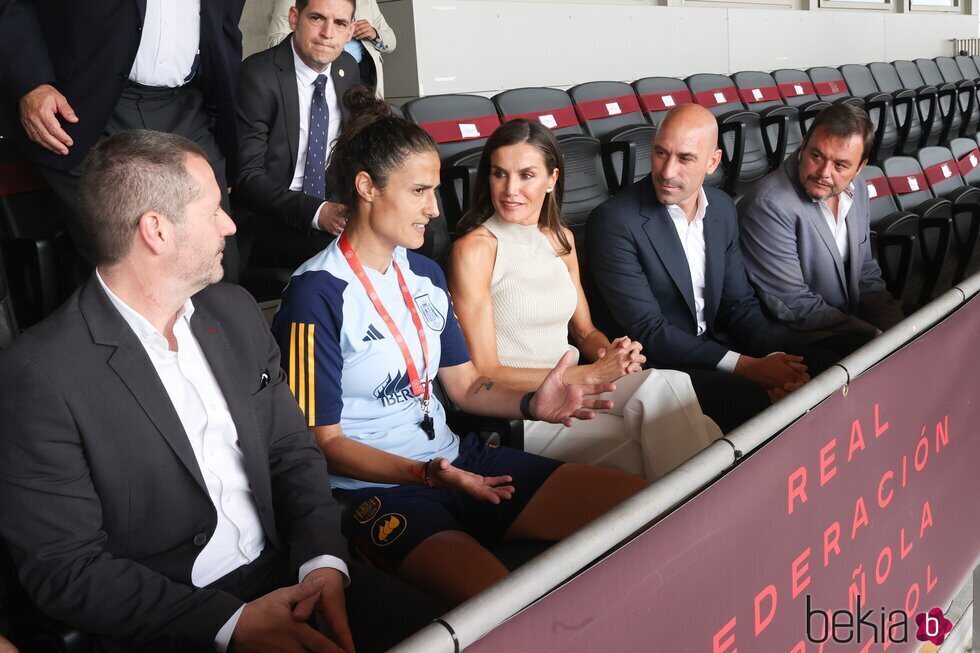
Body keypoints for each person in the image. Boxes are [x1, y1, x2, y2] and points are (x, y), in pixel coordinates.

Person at [272, 88, 645, 608]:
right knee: (505, 607)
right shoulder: (315, 293)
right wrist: (424, 474)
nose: (434, 207)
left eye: (436, 190)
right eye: (421, 191)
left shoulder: (423, 272)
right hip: (377, 490)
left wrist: (530, 403)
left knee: (642, 511)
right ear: (367, 188)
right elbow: (323, 445)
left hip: (456, 460)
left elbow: (467, 386)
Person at [0, 130, 355, 653]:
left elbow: (290, 450)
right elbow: (67, 569)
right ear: (157, 231)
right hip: (178, 619)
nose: (230, 226)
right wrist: (231, 625)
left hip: (292, 574)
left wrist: (323, 562)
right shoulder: (39, 375)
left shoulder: (234, 311)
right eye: (214, 210)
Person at [448, 119, 720, 480]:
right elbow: (486, 371)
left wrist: (612, 354)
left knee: (672, 388)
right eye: (500, 174)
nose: (510, 189)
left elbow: (585, 331)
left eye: (526, 175)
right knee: (684, 437)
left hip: (579, 384)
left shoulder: (560, 239)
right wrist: (589, 373)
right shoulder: (474, 249)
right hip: (526, 408)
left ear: (552, 179)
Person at [587, 104, 822, 433]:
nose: (667, 171)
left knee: (818, 366)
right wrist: (747, 367)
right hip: (660, 367)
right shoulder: (614, 221)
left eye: (685, 159)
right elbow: (649, 331)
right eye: (660, 153)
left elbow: (739, 303)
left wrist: (776, 359)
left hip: (714, 347)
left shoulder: (723, 209)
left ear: (712, 162)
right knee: (749, 398)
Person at [0, 0, 244, 277]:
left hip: (188, 105)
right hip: (87, 109)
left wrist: (218, 118)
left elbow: (222, 24)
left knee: (215, 259)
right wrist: (31, 83)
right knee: (131, 266)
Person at [737, 104, 905, 357]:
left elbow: (866, 272)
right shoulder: (769, 205)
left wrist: (899, 329)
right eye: (817, 156)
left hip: (846, 322)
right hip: (796, 338)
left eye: (840, 165)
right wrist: (874, 334)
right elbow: (793, 305)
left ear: (859, 168)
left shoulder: (856, 188)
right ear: (803, 145)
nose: (824, 173)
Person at [236, 0, 361, 273]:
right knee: (345, 255)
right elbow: (247, 178)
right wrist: (318, 212)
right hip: (270, 218)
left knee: (414, 241)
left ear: (350, 31)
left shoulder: (348, 68)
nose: (328, 33)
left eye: (339, 23)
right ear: (294, 18)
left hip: (335, 207)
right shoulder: (258, 75)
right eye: (317, 18)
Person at [268, 0, 396, 97]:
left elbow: (392, 40)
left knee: (367, 128)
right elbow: (274, 41)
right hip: (320, 72)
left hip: (365, 73)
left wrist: (374, 34)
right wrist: (313, 37)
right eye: (316, 17)